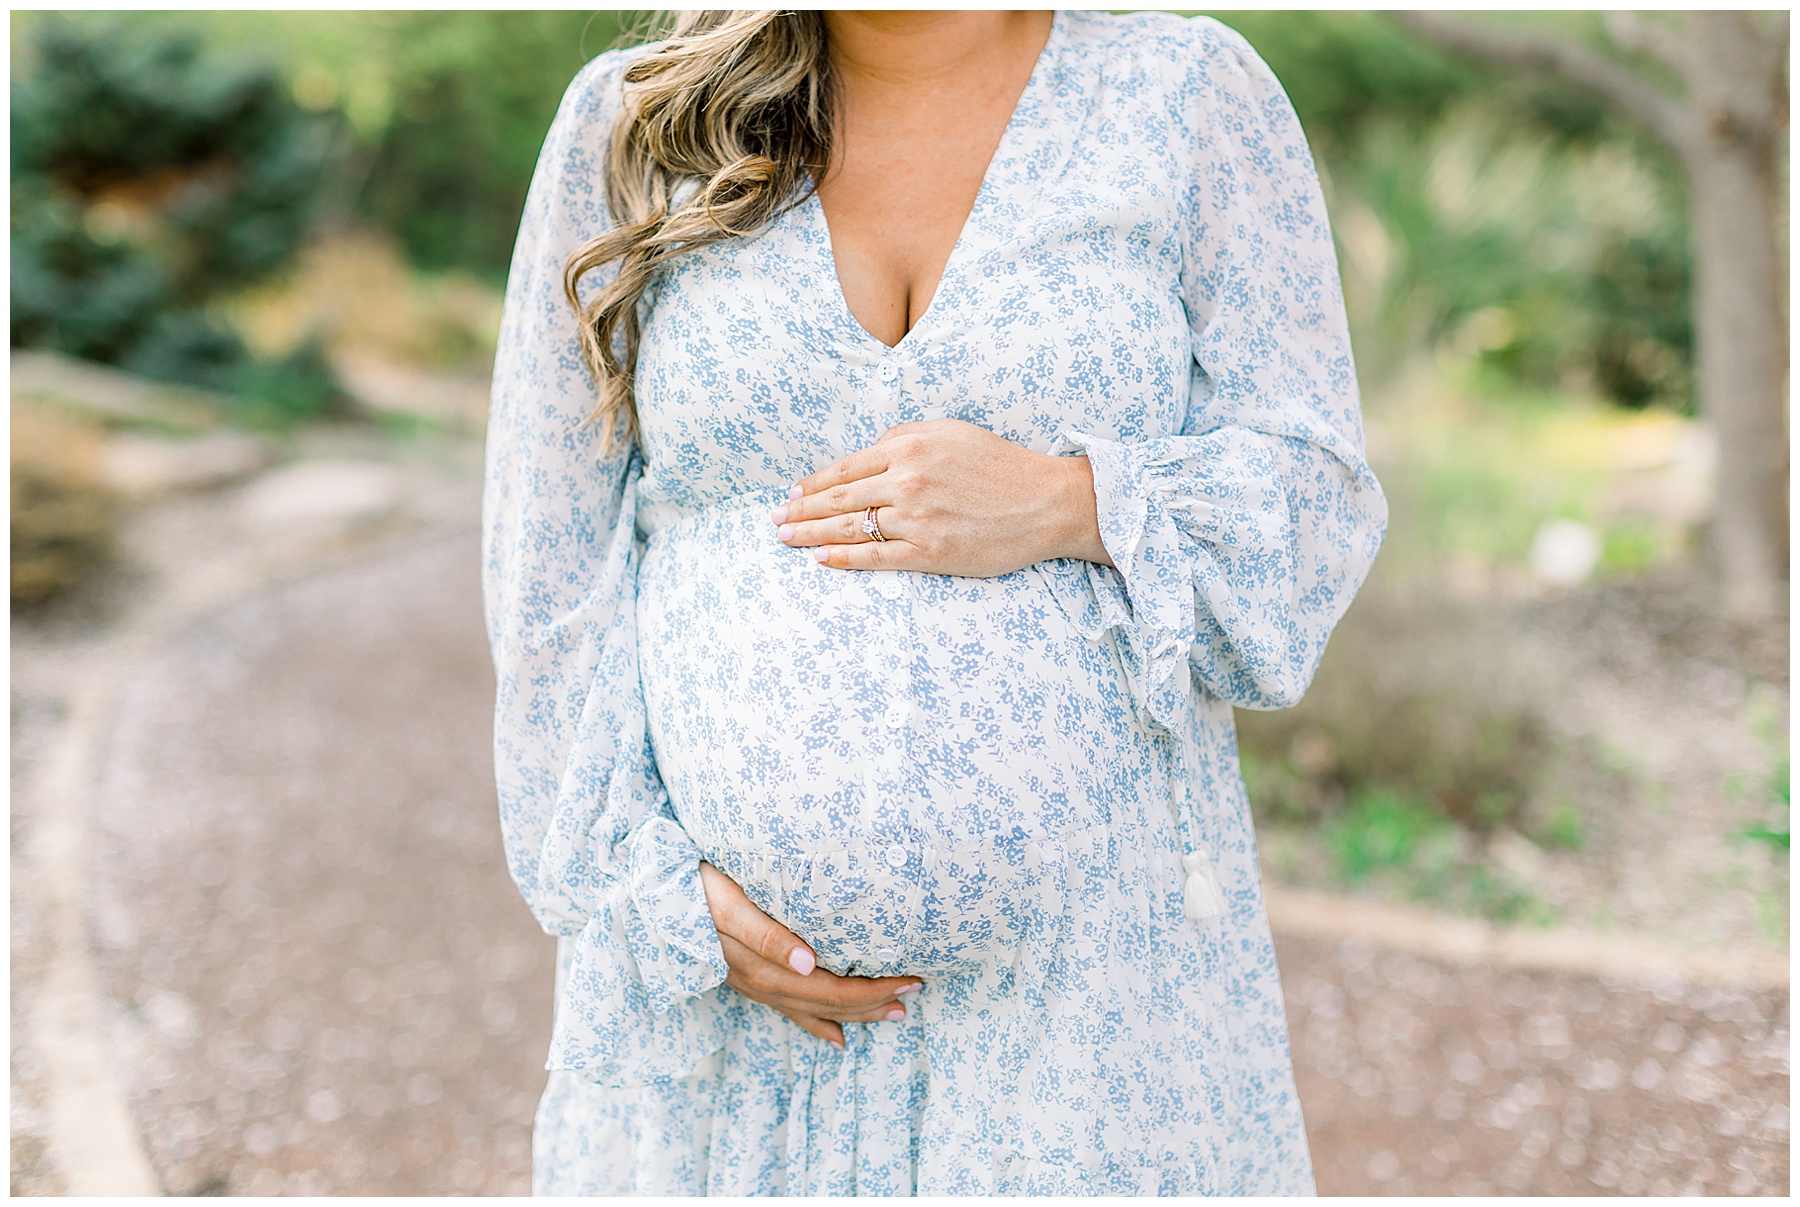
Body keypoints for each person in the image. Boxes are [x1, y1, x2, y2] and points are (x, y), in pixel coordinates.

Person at [482, 8, 1385, 1196]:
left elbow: (1313, 502)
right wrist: (643, 888)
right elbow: (545, 568)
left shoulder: (1187, 95)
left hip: (1089, 1021)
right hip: (730, 1037)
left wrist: (1069, 501)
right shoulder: (637, 120)